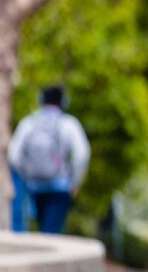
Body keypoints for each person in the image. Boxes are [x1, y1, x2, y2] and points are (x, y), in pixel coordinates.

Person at [8, 85, 90, 234]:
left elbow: (13, 155)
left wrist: (26, 173)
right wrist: (75, 181)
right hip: (60, 186)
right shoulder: (69, 124)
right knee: (51, 232)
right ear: (63, 102)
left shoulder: (29, 123)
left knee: (43, 228)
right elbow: (82, 154)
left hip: (34, 185)